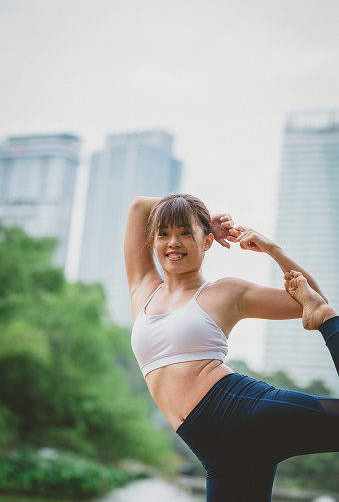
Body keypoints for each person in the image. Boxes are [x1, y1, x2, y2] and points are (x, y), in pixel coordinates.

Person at [124, 194, 339, 502]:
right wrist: (198, 218)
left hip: (246, 412)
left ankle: (331, 323)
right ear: (154, 240)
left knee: (321, 313)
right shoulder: (142, 285)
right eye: (165, 233)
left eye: (185, 233)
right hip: (216, 453)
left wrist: (272, 250)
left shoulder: (225, 292)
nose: (174, 242)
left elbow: (312, 299)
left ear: (208, 243)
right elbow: (139, 207)